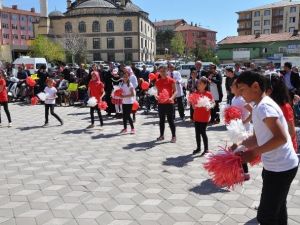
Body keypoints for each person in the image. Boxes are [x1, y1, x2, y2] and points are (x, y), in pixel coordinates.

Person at [236, 71, 299, 225]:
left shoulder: (265, 107)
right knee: (278, 210)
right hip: (276, 166)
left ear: (256, 86)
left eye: (242, 89)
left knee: (265, 216)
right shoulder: (259, 106)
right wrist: (239, 145)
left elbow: (281, 138)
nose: (240, 94)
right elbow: (258, 137)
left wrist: (253, 153)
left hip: (281, 168)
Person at [266, 74, 298, 152]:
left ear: (270, 90)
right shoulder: (268, 105)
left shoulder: (284, 107)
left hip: (285, 149)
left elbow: (291, 132)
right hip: (275, 147)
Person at [231, 78, 253, 181]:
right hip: (236, 129)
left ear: (237, 88)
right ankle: (240, 172)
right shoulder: (234, 98)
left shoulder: (242, 100)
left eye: (232, 86)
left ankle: (245, 173)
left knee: (240, 150)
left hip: (243, 129)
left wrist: (245, 121)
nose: (230, 87)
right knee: (237, 150)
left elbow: (253, 112)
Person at [155, 65, 177, 143]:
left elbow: (175, 91)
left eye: (164, 71)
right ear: (159, 72)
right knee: (161, 120)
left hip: (169, 103)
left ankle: (174, 136)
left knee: (170, 120)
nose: (163, 73)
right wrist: (156, 96)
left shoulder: (171, 80)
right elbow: (157, 92)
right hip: (161, 103)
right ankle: (161, 135)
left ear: (167, 71)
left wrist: (172, 98)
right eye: (161, 71)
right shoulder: (157, 82)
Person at [192, 77, 214, 155]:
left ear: (205, 85)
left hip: (204, 116)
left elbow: (212, 104)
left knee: (203, 132)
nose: (198, 84)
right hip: (196, 115)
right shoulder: (195, 93)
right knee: (197, 133)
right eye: (198, 83)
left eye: (200, 83)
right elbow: (193, 103)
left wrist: (207, 105)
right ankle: (198, 148)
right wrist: (193, 105)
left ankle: (206, 149)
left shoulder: (208, 94)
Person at [120, 68, 136, 134]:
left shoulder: (130, 84)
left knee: (128, 115)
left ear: (128, 77)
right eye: (124, 77)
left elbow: (133, 94)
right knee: (124, 115)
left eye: (126, 77)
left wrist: (124, 96)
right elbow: (120, 92)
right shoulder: (121, 84)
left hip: (129, 102)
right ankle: (125, 128)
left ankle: (133, 128)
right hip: (124, 102)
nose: (125, 78)